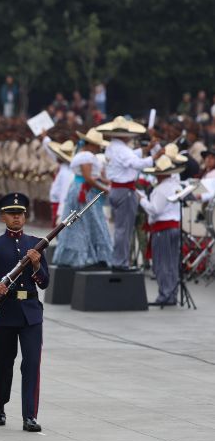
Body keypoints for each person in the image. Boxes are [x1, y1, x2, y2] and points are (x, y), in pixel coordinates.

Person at [0, 193, 48, 433]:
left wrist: (37, 265)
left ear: (25, 216)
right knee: (3, 364)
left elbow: (44, 283)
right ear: (3, 216)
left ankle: (30, 415)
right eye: (12, 214)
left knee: (31, 364)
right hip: (5, 312)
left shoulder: (36, 244)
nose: (17, 218)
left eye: (20, 214)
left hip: (30, 313)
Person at [97, 117, 163, 271]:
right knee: (124, 229)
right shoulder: (122, 149)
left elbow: (131, 156)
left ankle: (120, 260)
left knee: (121, 228)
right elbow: (137, 163)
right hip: (124, 191)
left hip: (116, 190)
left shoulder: (112, 147)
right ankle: (121, 263)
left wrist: (146, 150)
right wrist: (154, 157)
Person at [52, 129, 112, 267]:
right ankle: (86, 257)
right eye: (97, 145)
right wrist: (105, 189)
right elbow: (88, 178)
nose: (99, 148)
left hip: (85, 190)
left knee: (87, 222)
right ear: (90, 144)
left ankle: (91, 256)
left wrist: (106, 181)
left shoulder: (86, 155)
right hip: (84, 191)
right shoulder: (86, 156)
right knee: (87, 222)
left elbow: (94, 176)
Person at [138, 156, 184, 306]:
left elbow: (155, 210)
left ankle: (165, 294)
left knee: (161, 263)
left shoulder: (160, 189)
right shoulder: (177, 186)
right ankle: (171, 293)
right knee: (171, 262)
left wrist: (142, 200)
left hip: (162, 228)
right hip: (174, 226)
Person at [44, 139, 75, 226]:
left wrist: (60, 213)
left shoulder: (65, 173)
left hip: (59, 206)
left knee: (59, 232)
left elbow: (64, 194)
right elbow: (50, 151)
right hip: (56, 204)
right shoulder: (62, 168)